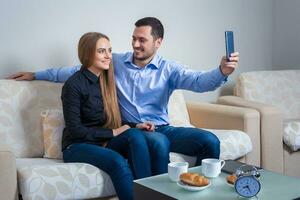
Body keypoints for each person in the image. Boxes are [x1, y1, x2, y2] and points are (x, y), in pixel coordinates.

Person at [9, 17, 239, 175]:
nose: (135, 44)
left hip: (162, 127)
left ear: (158, 43)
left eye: (142, 40)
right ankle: (159, 193)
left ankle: (197, 190)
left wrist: (222, 72)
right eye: (134, 38)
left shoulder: (169, 69)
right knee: (157, 142)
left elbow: (199, 82)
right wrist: (35, 74)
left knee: (210, 141)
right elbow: (73, 70)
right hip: (136, 128)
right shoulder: (116, 62)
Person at [60, 32, 155, 200]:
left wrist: (135, 125)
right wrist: (112, 133)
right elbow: (75, 130)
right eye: (102, 51)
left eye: (109, 51)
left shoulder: (106, 81)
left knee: (136, 136)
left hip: (101, 142)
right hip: (77, 146)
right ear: (88, 54)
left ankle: (147, 195)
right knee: (117, 161)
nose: (108, 56)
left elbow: (107, 120)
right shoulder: (73, 85)